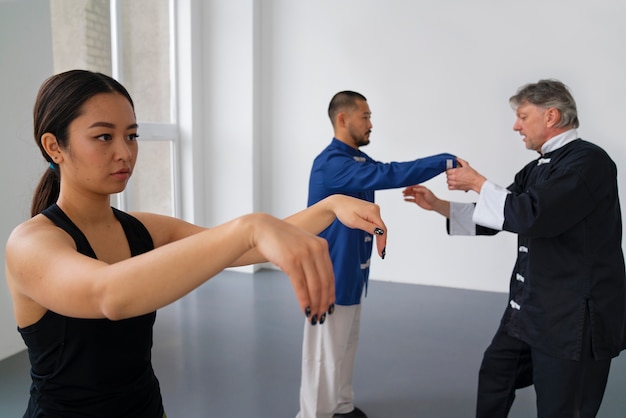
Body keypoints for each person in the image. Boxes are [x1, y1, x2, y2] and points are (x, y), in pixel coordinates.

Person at [4, 70, 390, 418]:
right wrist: (249, 227)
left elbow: (240, 248)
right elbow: (108, 294)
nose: (124, 152)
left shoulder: (140, 229)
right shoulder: (31, 243)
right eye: (104, 136)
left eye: (131, 135)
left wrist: (330, 206)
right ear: (55, 146)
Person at [403, 79, 626, 417]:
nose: (515, 126)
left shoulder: (589, 163)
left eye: (522, 116)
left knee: (563, 407)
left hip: (572, 317)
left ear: (550, 116)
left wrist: (478, 183)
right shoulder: (536, 168)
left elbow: (534, 216)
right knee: (496, 374)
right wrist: (439, 205)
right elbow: (500, 216)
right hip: (531, 309)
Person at [297, 90, 456, 418]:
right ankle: (313, 415)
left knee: (345, 346)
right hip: (330, 274)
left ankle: (341, 405)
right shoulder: (331, 164)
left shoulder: (356, 159)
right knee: (323, 354)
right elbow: (388, 175)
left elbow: (387, 168)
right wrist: (444, 161)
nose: (371, 124)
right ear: (343, 119)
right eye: (365, 116)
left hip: (353, 272)